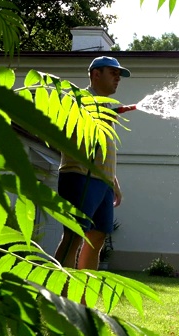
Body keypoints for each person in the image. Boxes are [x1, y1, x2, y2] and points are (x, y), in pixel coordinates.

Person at [54, 56, 136, 270]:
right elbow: (67, 132)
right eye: (113, 73)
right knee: (74, 237)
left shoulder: (107, 106)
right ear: (95, 74)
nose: (118, 78)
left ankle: (82, 300)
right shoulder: (78, 98)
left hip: (103, 182)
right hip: (79, 175)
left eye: (119, 75)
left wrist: (113, 182)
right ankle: (59, 299)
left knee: (97, 239)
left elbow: (103, 150)